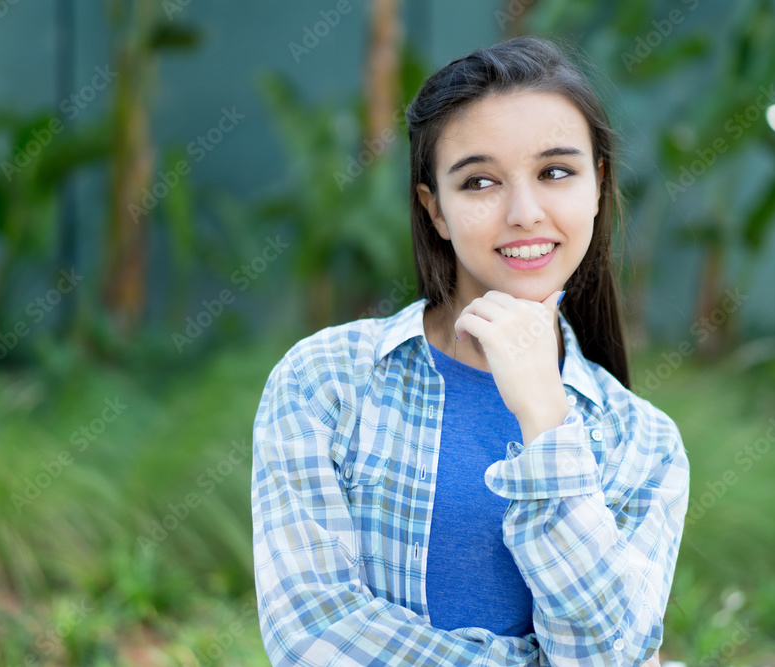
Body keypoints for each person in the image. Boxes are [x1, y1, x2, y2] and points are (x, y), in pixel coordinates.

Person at [252, 35, 689, 666]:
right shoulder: (325, 384)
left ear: (597, 186)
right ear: (435, 210)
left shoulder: (643, 443)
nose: (524, 212)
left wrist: (545, 414)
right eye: (479, 181)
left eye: (555, 172)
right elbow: (314, 635)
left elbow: (603, 654)